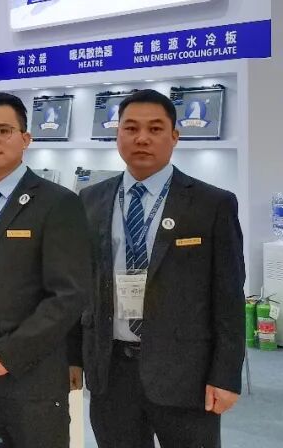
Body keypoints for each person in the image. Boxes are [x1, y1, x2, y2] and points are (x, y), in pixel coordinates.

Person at [73, 89, 244, 448]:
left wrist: (226, 376)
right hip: (111, 371)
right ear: (117, 134)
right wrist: (73, 358)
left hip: (185, 373)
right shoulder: (90, 200)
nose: (142, 138)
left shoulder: (211, 204)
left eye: (155, 129)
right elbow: (80, 288)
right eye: (131, 128)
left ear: (174, 136)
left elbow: (228, 297)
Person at [0, 92, 89, 448]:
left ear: (25, 138)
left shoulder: (58, 203)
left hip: (31, 379)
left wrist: (11, 352)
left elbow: (68, 295)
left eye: (3, 130)